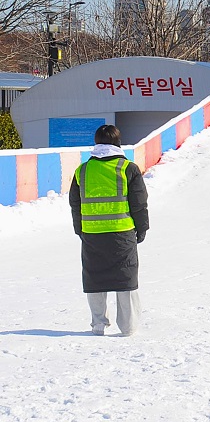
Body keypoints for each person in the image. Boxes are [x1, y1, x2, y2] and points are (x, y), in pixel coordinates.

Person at [69, 124, 149, 336]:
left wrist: (81, 230)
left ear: (96, 143)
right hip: (122, 233)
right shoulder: (127, 168)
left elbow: (75, 204)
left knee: (95, 277)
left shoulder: (83, 170)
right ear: (118, 143)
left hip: (92, 234)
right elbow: (139, 203)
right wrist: (142, 229)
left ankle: (98, 325)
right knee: (125, 278)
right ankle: (129, 327)